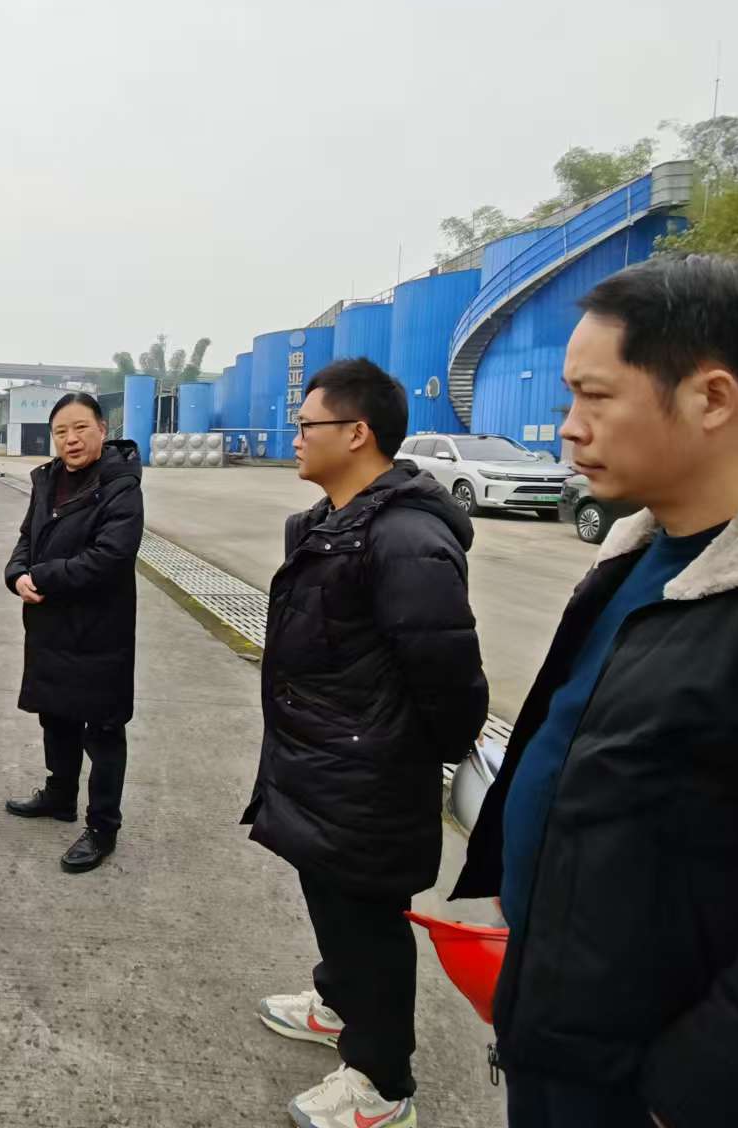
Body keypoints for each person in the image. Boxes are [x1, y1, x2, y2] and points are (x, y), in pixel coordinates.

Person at [453, 254, 738, 1128]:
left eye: (594, 397)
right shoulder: (636, 557)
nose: (569, 428)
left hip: (658, 1087)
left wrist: (691, 1096)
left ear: (711, 398)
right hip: (561, 1034)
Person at [243, 357, 488, 1128]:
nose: (295, 437)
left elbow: (450, 679)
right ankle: (339, 1003)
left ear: (357, 433)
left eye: (307, 425)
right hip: (322, 761)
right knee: (332, 902)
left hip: (368, 773)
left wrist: (396, 750)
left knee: (369, 922)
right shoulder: (328, 523)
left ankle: (382, 1084)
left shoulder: (406, 539)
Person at [3, 392, 143, 874]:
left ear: (103, 430)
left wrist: (42, 576)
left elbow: (111, 557)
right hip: (50, 624)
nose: (71, 439)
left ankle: (102, 827)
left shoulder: (120, 484)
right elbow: (27, 538)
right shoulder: (47, 479)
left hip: (100, 630)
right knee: (56, 716)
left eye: (81, 428)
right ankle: (59, 795)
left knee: (103, 732)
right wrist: (16, 574)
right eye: (61, 431)